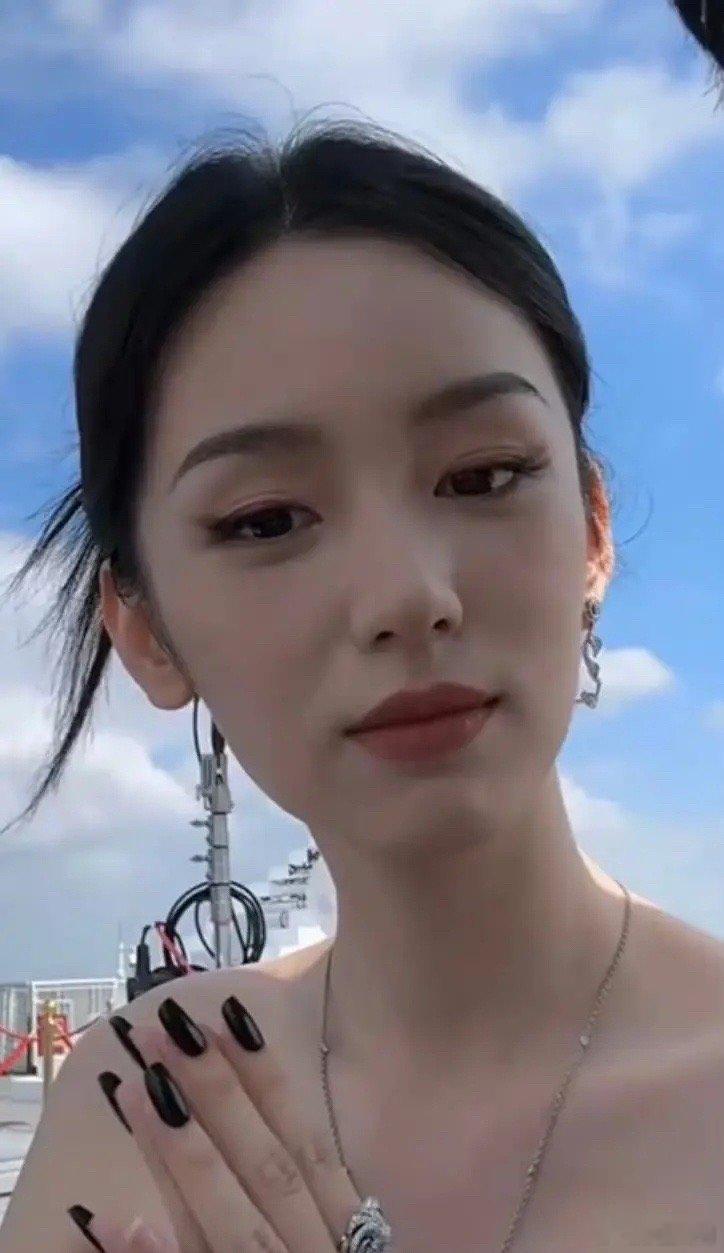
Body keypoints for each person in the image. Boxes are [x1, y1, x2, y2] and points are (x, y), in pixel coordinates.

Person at [2, 118, 723, 1253]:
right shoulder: (141, 1111)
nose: (405, 594)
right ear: (144, 628)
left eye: (482, 475)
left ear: (591, 529)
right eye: (266, 520)